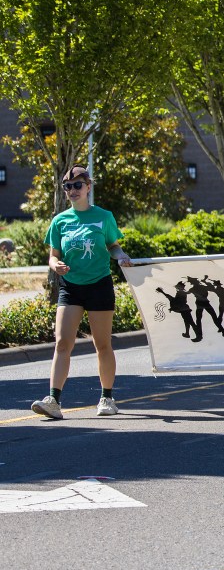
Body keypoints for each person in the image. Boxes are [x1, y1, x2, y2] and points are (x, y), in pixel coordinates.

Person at [30, 166, 133, 420]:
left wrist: (121, 256)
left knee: (102, 344)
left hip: (99, 285)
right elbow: (53, 256)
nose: (73, 190)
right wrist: (56, 266)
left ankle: (107, 398)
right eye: (68, 187)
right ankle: (53, 400)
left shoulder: (104, 216)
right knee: (62, 342)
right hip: (71, 287)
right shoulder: (60, 221)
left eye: (78, 185)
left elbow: (113, 245)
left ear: (88, 187)